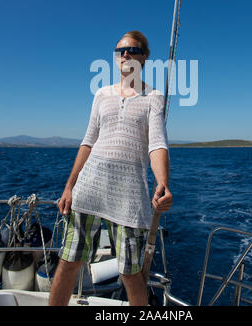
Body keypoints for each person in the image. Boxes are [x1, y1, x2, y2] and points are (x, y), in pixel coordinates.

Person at [48, 30, 172, 306]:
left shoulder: (154, 97)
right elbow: (88, 141)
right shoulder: (101, 94)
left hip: (128, 199)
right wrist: (69, 186)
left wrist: (162, 181)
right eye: (120, 50)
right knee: (68, 262)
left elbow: (157, 144)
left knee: (131, 274)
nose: (126, 54)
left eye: (133, 49)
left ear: (145, 57)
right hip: (88, 192)